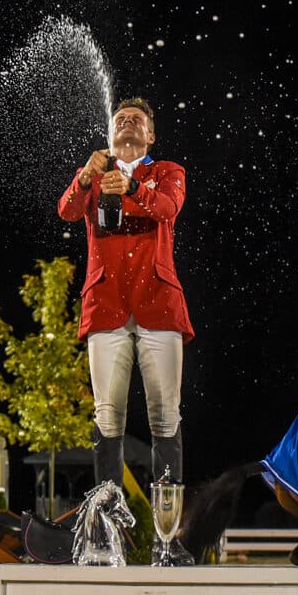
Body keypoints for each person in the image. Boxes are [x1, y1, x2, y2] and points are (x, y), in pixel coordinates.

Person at [57, 99, 194, 508]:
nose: (127, 123)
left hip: (159, 304)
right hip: (106, 305)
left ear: (150, 136)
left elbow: (168, 207)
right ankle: (108, 519)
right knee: (107, 414)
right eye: (120, 119)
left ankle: (166, 526)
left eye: (137, 120)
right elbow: (67, 211)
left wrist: (133, 188)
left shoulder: (168, 172)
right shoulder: (93, 175)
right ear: (110, 133)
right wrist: (86, 177)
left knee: (165, 414)